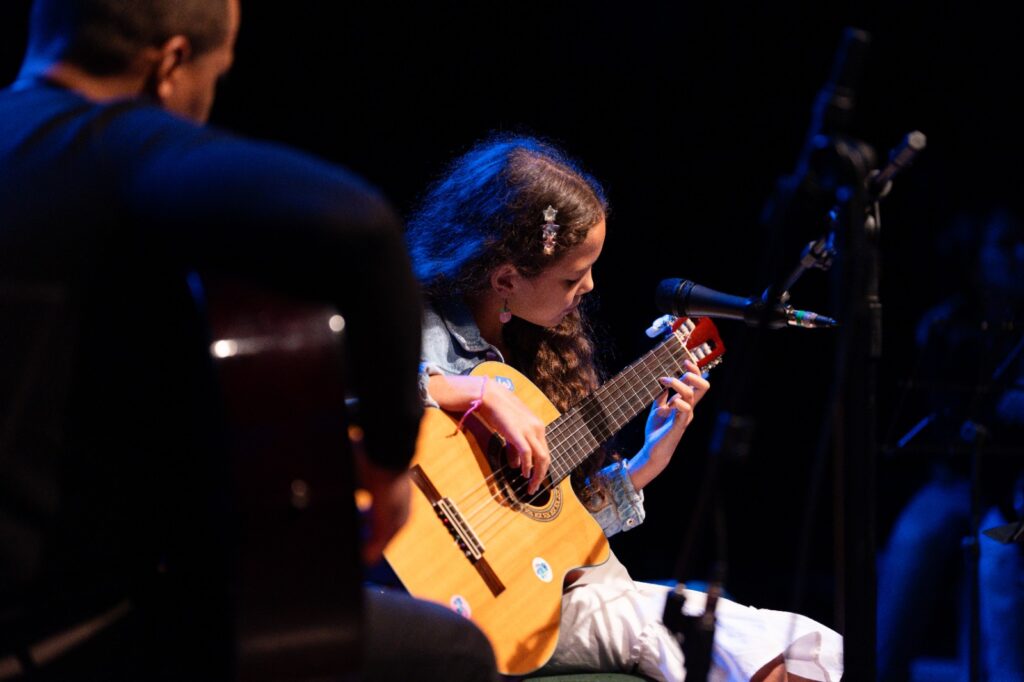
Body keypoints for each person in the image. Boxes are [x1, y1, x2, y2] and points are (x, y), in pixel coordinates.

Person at [0, 1, 497, 679]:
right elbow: (365, 231)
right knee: (456, 653)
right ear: (169, 66)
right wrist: (387, 465)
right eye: (216, 74)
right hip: (72, 627)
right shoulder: (116, 145)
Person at [405, 134, 844, 681]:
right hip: (456, 601)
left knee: (784, 640)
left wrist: (643, 465)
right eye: (572, 276)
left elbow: (546, 534)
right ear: (505, 279)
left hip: (542, 593)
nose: (589, 286)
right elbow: (342, 404)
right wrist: (477, 391)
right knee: (774, 653)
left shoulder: (535, 344)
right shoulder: (416, 323)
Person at [877, 208, 1024, 681]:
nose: (1019, 256)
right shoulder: (947, 325)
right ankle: (877, 668)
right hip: (956, 479)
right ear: (976, 257)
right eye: (1004, 245)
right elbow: (935, 418)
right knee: (911, 540)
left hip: (1015, 489)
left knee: (1000, 552)